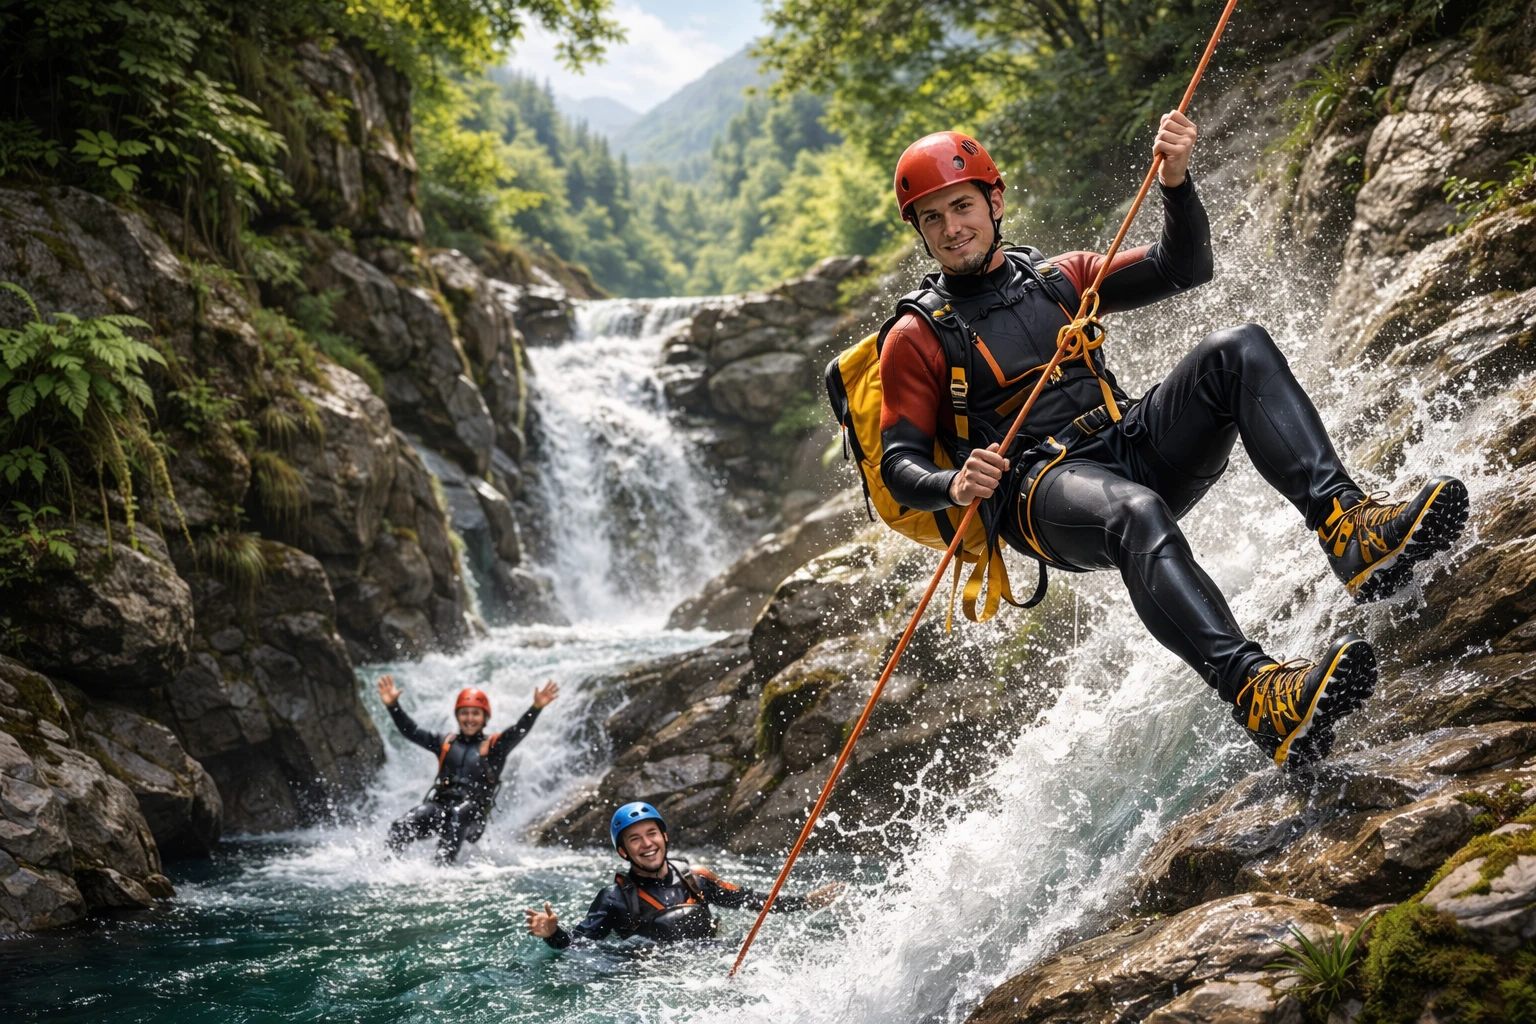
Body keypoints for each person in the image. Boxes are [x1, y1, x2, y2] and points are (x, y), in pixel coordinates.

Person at [876, 113, 1469, 769]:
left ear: (995, 200)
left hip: (1129, 445)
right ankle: (1258, 693)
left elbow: (1185, 267)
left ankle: (1349, 527)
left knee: (1237, 350)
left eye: (961, 205)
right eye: (932, 218)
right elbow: (898, 465)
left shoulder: (1058, 279)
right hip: (1039, 497)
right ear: (921, 232)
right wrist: (953, 485)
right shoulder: (916, 337)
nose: (951, 227)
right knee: (1135, 511)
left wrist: (1177, 182)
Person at [524, 802, 843, 946]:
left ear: (665, 837)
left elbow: (750, 900)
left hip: (709, 962)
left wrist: (804, 902)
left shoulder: (697, 878)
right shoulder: (613, 899)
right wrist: (554, 935)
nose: (646, 844)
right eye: (634, 839)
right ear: (623, 852)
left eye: (652, 833)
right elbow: (578, 946)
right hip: (654, 980)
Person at [376, 674, 559, 862]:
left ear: (484, 717)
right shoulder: (445, 742)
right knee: (402, 826)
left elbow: (518, 730)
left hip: (473, 816)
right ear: (457, 716)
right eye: (464, 713)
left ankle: (440, 871)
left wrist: (536, 707)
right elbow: (412, 731)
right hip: (442, 808)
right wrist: (393, 706)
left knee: (458, 814)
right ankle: (386, 868)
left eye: (476, 713)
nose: (469, 718)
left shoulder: (495, 746)